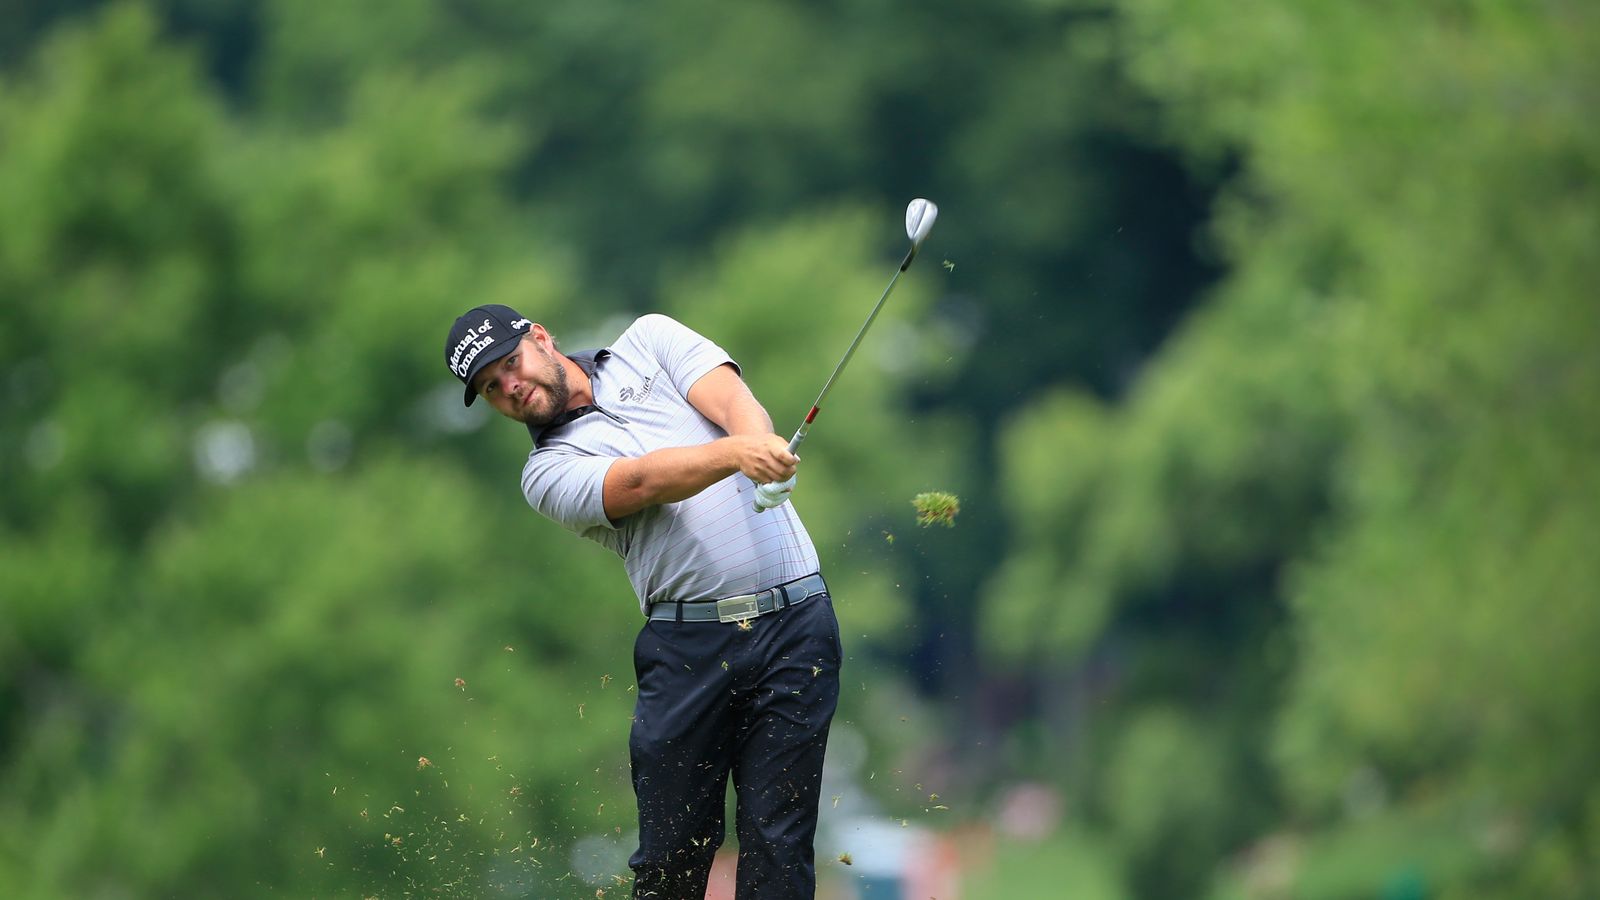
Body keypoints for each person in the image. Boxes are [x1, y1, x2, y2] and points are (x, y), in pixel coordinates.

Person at [444, 304, 841, 899]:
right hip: (690, 652)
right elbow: (640, 482)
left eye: (509, 364)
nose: (510, 387)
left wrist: (758, 443)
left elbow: (733, 400)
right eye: (492, 388)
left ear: (541, 338)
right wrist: (737, 455)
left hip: (797, 627)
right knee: (670, 863)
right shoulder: (546, 472)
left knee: (779, 845)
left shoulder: (649, 340)